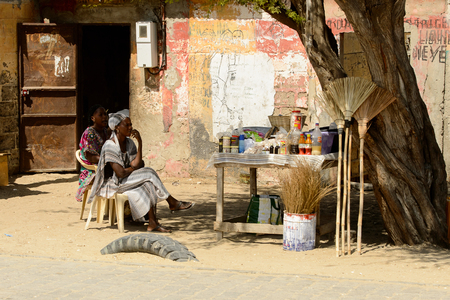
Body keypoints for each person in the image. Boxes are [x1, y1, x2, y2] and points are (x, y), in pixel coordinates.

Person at [88, 109, 194, 232]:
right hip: (115, 183)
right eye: (126, 125)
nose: (130, 127)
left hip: (127, 179)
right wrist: (133, 168)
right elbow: (120, 173)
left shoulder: (129, 143)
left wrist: (140, 142)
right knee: (149, 172)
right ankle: (171, 202)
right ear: (117, 127)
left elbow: (139, 164)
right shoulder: (110, 145)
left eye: (130, 124)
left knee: (148, 183)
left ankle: (153, 223)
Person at [75, 105, 110, 202]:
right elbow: (90, 157)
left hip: (103, 164)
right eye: (101, 115)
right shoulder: (89, 133)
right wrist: (108, 158)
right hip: (92, 169)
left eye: (105, 114)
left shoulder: (104, 131)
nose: (104, 117)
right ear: (93, 118)